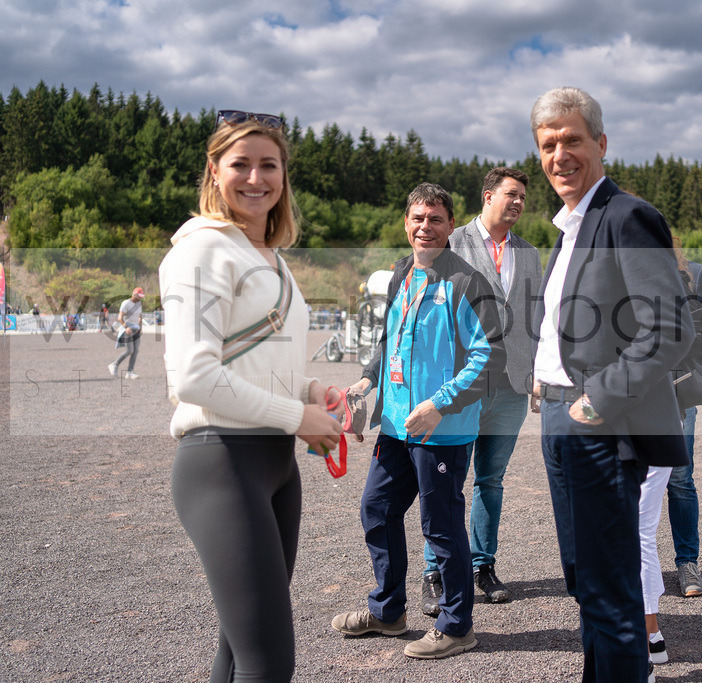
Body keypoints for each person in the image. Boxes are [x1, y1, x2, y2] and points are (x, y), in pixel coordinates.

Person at [158, 109, 343, 682]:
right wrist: (298, 416)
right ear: (215, 170)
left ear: (284, 176)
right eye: (241, 164)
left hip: (273, 464)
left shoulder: (268, 255)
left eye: (270, 165)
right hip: (222, 461)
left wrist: (313, 391)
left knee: (240, 654)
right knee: (268, 663)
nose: (256, 178)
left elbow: (254, 357)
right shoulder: (201, 249)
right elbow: (192, 377)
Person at [528, 87, 694, 683]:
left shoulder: (626, 216)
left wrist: (596, 400)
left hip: (596, 424)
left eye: (573, 140)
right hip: (556, 416)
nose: (560, 154)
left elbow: (670, 327)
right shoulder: (573, 225)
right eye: (548, 144)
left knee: (610, 584)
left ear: (601, 143)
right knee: (587, 580)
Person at [331, 183, 505, 661]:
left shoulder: (468, 282)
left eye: (435, 219)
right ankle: (389, 613)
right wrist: (367, 383)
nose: (425, 227)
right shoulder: (402, 272)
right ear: (406, 223)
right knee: (378, 509)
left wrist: (440, 404)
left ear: (451, 226)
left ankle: (456, 626)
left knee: (441, 526)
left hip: (441, 429)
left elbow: (490, 358)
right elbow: (391, 339)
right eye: (417, 218)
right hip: (395, 426)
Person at [418, 167, 542, 615]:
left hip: (511, 386)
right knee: (446, 480)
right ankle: (435, 570)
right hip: (462, 384)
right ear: (488, 196)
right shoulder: (451, 241)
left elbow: (536, 316)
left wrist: (538, 373)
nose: (519, 203)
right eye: (511, 194)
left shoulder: (528, 254)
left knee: (491, 479)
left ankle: (481, 566)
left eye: (524, 197)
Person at [640, 257, 702, 667]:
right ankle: (641, 578)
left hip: (677, 392)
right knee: (637, 495)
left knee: (681, 479)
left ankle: (687, 563)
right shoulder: (623, 272)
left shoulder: (695, 273)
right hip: (633, 395)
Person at [108, 287, 145, 379]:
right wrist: (126, 327)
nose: (140, 298)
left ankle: (130, 372)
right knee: (129, 350)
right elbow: (120, 317)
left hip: (136, 329)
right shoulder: (126, 303)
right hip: (127, 329)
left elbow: (140, 316)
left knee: (135, 351)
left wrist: (140, 327)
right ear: (134, 294)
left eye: (141, 296)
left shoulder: (139, 304)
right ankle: (114, 364)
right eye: (139, 296)